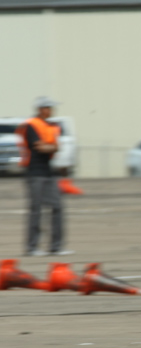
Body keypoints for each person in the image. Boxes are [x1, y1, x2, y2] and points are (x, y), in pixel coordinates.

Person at [18, 97, 71, 256]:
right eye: (48, 107)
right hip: (35, 173)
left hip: (49, 172)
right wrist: (52, 147)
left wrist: (51, 147)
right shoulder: (32, 125)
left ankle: (56, 246)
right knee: (36, 209)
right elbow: (40, 147)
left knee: (57, 206)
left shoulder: (51, 126)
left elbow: (53, 147)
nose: (51, 110)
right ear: (41, 109)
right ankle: (32, 247)